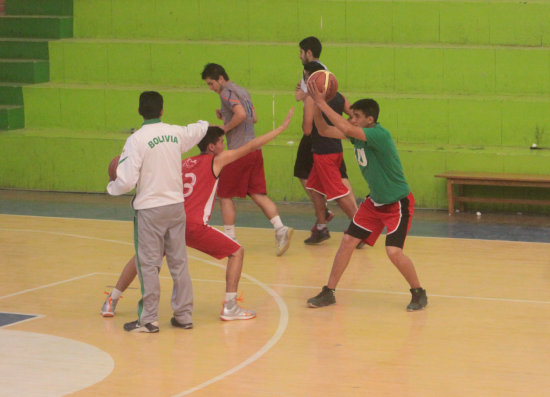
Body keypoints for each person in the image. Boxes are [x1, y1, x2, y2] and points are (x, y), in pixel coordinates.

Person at [102, 108, 295, 321]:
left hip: (171, 220)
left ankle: (112, 299)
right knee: (237, 252)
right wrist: (281, 129)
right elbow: (250, 146)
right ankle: (229, 306)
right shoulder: (216, 161)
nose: (224, 145)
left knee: (142, 258)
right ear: (211, 147)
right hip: (192, 225)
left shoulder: (183, 163)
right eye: (221, 142)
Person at [305, 83, 428, 311]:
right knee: (347, 241)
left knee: (393, 251)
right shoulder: (358, 136)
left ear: (369, 120)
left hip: (398, 203)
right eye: (351, 116)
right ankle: (329, 291)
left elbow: (347, 129)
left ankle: (418, 291)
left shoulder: (379, 134)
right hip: (374, 203)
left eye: (356, 117)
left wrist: (323, 102)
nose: (351, 120)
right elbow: (323, 130)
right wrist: (314, 105)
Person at [107, 91, 209, 333]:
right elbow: (199, 129)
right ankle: (184, 315)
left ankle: (148, 319)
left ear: (140, 111)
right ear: (162, 110)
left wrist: (112, 187)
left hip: (150, 210)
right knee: (179, 262)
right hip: (175, 207)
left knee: (149, 264)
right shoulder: (175, 133)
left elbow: (127, 180)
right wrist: (207, 123)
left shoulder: (136, 140)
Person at [201, 63, 293, 256]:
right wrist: (226, 116)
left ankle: (230, 238)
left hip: (239, 151)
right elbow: (254, 117)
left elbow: (241, 115)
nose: (211, 88)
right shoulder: (241, 91)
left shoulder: (226, 92)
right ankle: (280, 228)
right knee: (258, 194)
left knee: (225, 194)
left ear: (220, 78)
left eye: (211, 84)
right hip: (254, 150)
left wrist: (224, 129)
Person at [294, 36, 354, 243]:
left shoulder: (312, 98)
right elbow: (353, 114)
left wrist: (306, 106)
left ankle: (360, 228)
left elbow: (308, 129)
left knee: (337, 193)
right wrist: (345, 130)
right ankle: (321, 226)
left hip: (323, 151)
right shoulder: (337, 94)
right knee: (313, 187)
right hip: (332, 146)